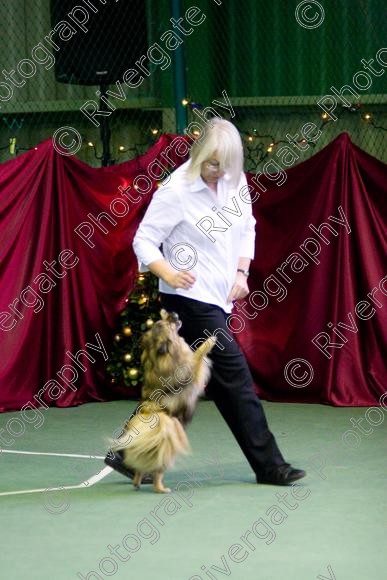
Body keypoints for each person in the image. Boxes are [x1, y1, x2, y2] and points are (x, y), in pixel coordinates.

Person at [105, 118, 306, 485]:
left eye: (226, 165)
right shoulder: (176, 190)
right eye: (212, 164)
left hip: (219, 298)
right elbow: (144, 240)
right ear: (199, 155)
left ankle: (127, 453)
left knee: (179, 386)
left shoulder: (235, 180)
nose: (219, 172)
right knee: (236, 380)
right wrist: (166, 272)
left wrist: (242, 273)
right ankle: (270, 466)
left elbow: (248, 227)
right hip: (188, 300)